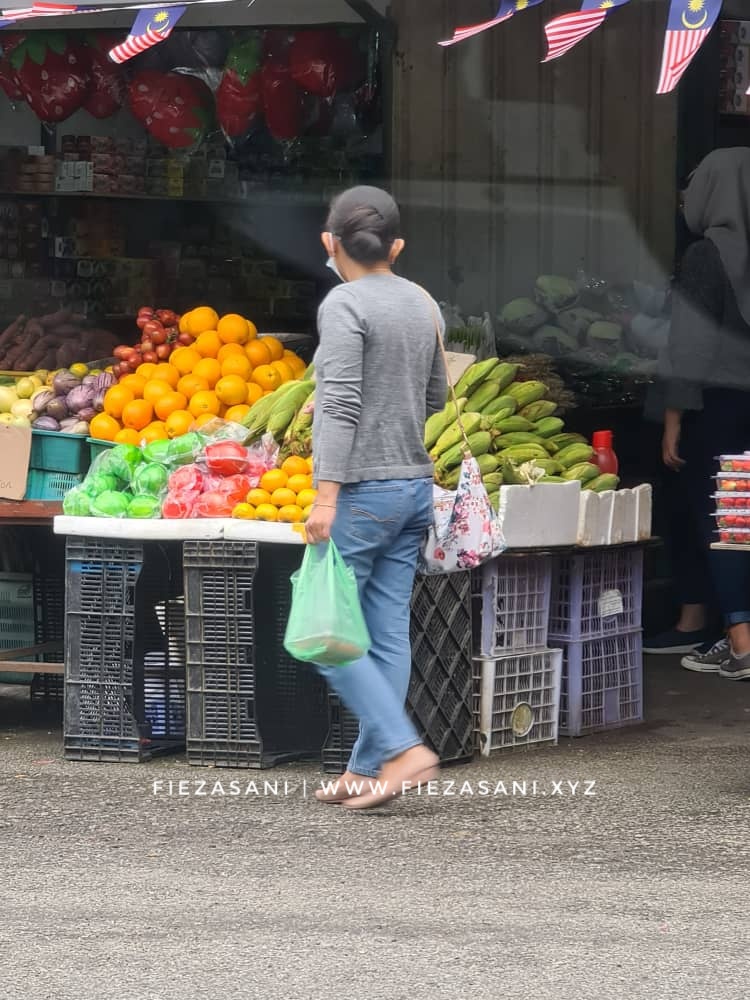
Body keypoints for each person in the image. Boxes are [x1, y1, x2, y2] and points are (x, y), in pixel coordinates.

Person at [304, 185, 448, 809]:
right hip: (413, 489)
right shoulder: (422, 302)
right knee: (387, 636)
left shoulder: (343, 303)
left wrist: (324, 497)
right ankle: (369, 768)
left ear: (329, 243)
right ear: (396, 245)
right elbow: (438, 398)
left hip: (360, 494)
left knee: (320, 633)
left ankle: (402, 748)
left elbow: (338, 402)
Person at [658, 147, 750, 678]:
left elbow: (689, 346)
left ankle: (739, 639)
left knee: (725, 519)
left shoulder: (706, 255)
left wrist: (673, 418)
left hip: (719, 410)